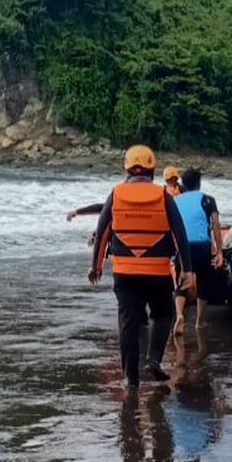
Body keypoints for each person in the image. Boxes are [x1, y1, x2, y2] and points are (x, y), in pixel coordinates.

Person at [89, 146, 193, 386]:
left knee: (128, 322)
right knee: (164, 314)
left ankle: (130, 378)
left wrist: (96, 267)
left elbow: (103, 232)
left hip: (125, 274)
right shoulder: (163, 196)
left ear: (127, 168)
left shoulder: (115, 194)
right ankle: (154, 360)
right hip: (157, 272)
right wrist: (187, 269)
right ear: (152, 170)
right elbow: (179, 234)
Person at [173, 169, 224, 334]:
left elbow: (171, 226)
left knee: (182, 281)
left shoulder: (175, 200)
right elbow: (216, 225)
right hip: (202, 245)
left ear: (183, 183)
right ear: (199, 183)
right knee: (203, 282)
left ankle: (180, 314)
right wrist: (219, 252)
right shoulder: (208, 200)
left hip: (183, 246)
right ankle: (199, 323)